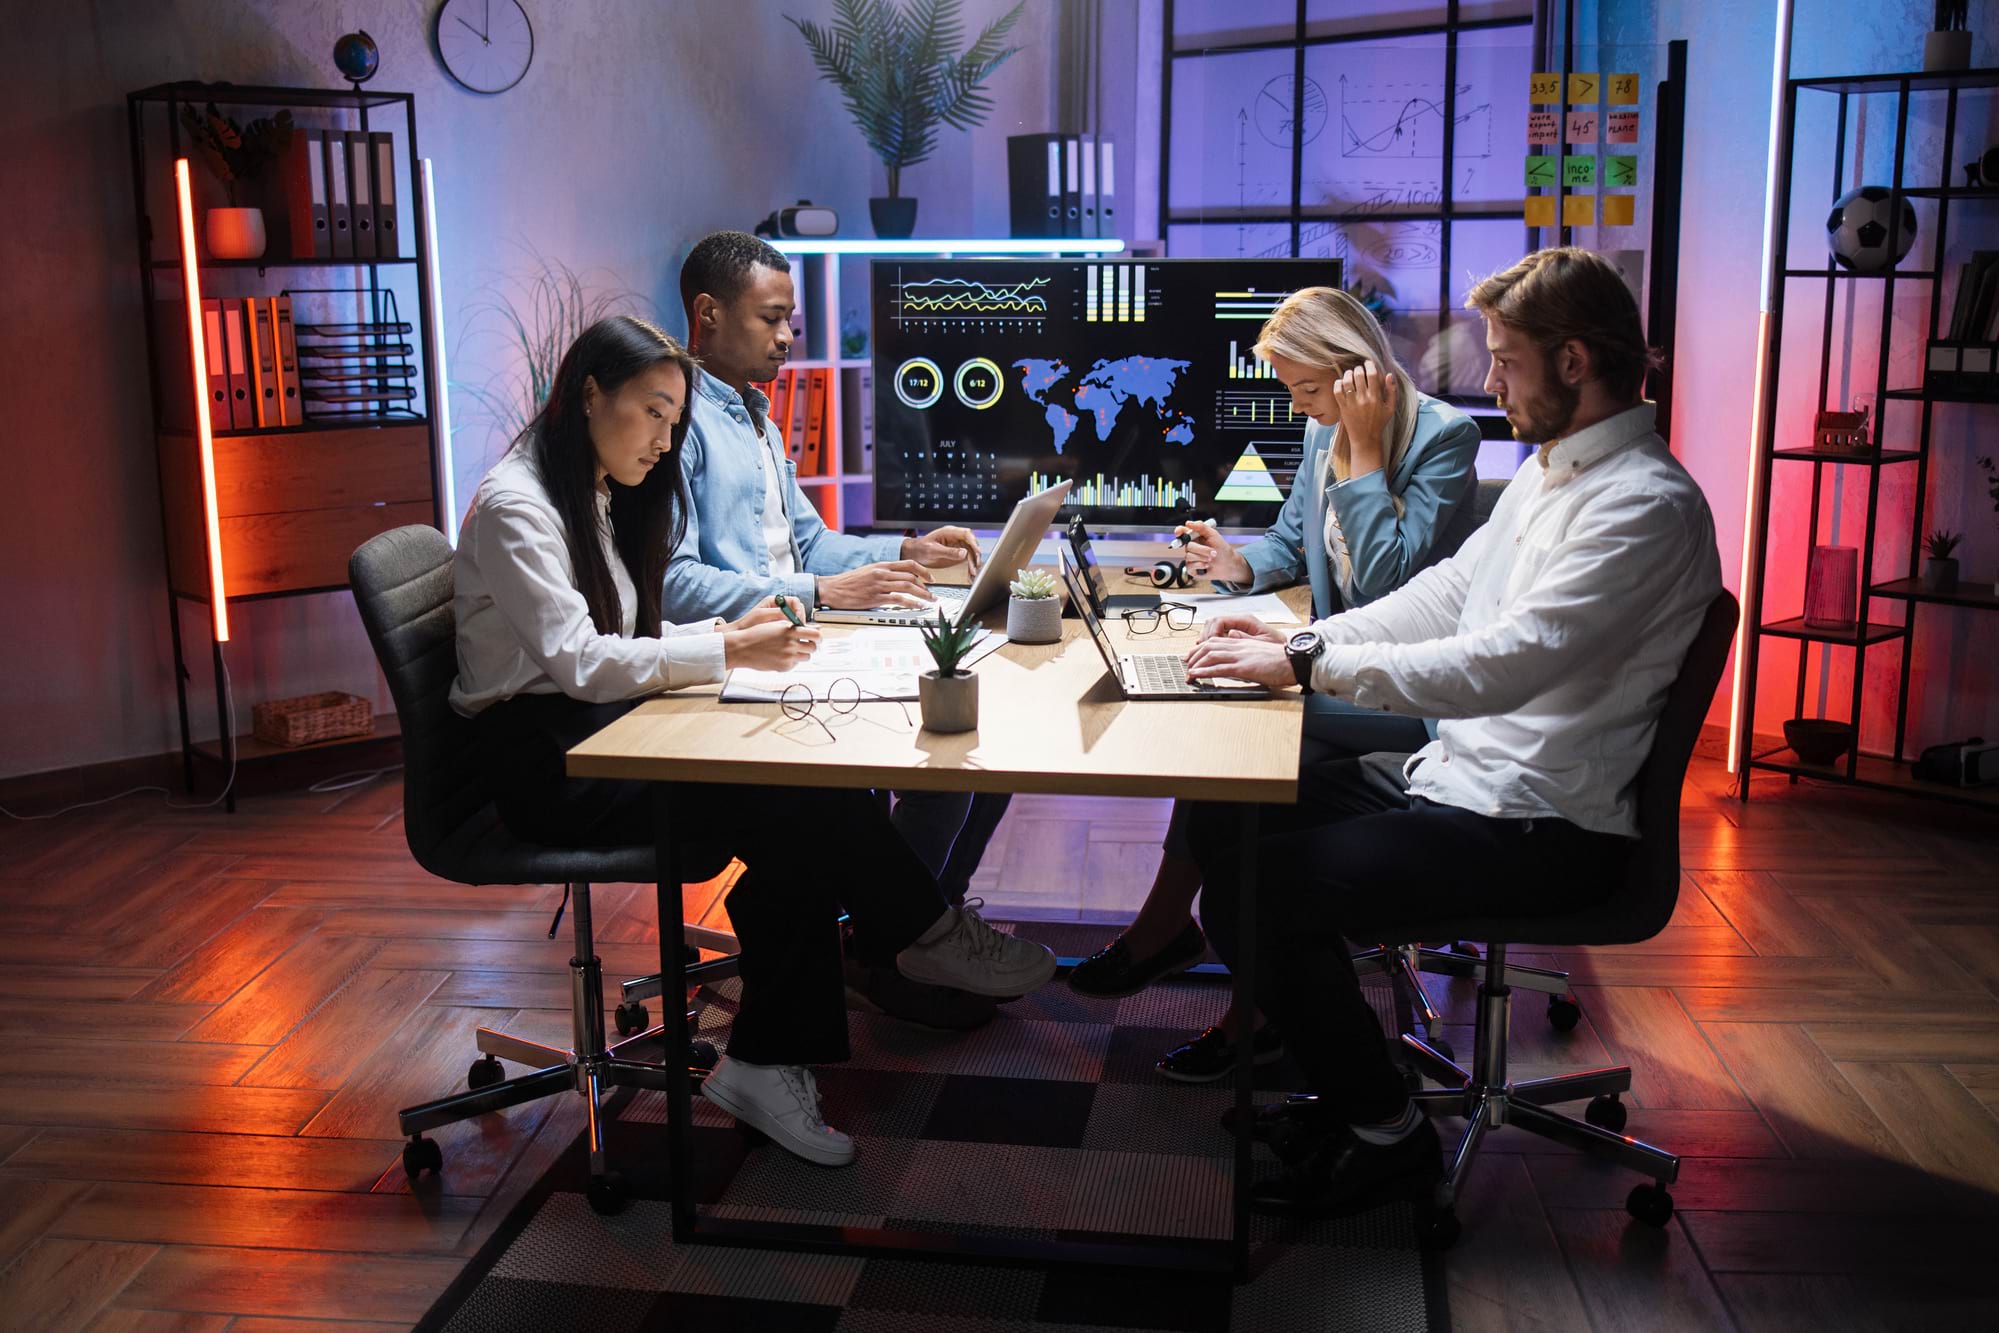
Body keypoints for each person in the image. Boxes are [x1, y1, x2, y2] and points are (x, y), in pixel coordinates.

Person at [1171, 246, 1720, 1212]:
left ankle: (1386, 1133)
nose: (1490, 382)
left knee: (1253, 892)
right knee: (1228, 813)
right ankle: (1348, 1084)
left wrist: (1305, 664)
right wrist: (1296, 638)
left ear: (1573, 361)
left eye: (1504, 360)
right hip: (1458, 782)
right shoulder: (1554, 475)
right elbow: (1441, 595)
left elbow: (1499, 664)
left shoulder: (1643, 504)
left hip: (1539, 828)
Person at [449, 315, 1056, 1168]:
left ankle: (797, 1036)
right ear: (589, 394)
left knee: (796, 790)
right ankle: (914, 938)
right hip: (549, 764)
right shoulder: (520, 505)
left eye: (674, 421)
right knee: (790, 799)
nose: (664, 441)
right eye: (652, 413)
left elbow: (621, 639)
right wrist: (728, 650)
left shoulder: (588, 484)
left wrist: (729, 641)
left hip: (602, 724)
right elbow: (581, 661)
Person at [1068, 286, 1481, 1085]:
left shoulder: (1442, 436)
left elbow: (1388, 581)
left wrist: (1363, 449)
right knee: (1230, 746)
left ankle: (1211, 970)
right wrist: (1237, 563)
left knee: (1238, 745)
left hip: (1408, 694)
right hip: (1338, 667)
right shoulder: (1323, 426)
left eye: (1307, 388)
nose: (1299, 408)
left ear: (1357, 373)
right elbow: (1292, 545)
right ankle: (1217, 969)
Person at [662, 231, 1013, 1028]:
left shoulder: (755, 415)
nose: (787, 336)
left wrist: (903, 551)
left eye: (791, 320)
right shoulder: (676, 422)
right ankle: (901, 945)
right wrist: (820, 589)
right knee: (944, 756)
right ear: (708, 314)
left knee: (979, 742)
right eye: (771, 318)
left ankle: (911, 933)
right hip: (734, 668)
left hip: (796, 641)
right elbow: (676, 586)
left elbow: (810, 542)